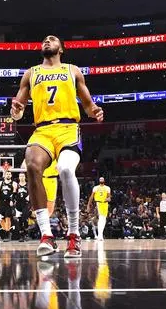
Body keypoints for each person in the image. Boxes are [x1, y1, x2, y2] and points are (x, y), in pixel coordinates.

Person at [11, 35, 104, 259]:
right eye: (43, 40)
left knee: (65, 169)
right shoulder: (31, 73)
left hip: (68, 128)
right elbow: (20, 107)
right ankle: (47, 236)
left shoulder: (73, 71)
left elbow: (88, 105)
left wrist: (95, 112)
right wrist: (16, 112)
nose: (46, 41)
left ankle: (73, 235)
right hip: (42, 130)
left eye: (52, 40)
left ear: (61, 48)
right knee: (31, 165)